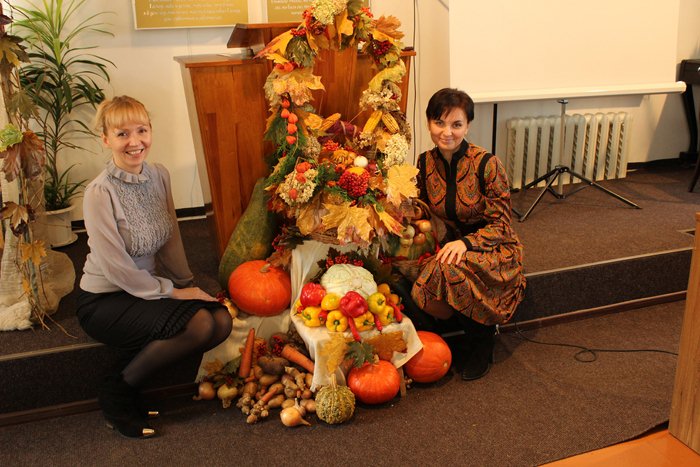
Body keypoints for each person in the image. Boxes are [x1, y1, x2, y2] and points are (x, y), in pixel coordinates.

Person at [76, 96, 232, 438]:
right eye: (122, 134)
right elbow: (116, 268)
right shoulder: (99, 192)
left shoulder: (159, 174)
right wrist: (173, 292)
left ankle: (130, 384)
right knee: (200, 323)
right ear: (105, 139)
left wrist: (187, 283)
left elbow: (171, 236)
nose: (135, 142)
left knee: (220, 320)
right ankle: (116, 391)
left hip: (144, 289)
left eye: (141, 130)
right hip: (105, 299)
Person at [403, 88, 526, 381]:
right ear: (429, 123)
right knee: (414, 277)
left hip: (492, 246)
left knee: (448, 270)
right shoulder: (423, 162)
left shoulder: (487, 164)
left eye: (456, 124)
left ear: (468, 126)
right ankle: (461, 326)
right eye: (439, 123)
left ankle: (481, 339)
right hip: (450, 242)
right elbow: (422, 210)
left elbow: (501, 224)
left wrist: (465, 242)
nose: (447, 132)